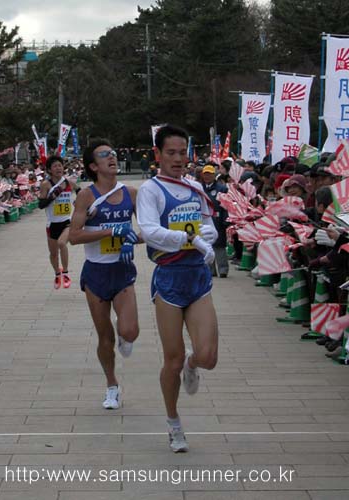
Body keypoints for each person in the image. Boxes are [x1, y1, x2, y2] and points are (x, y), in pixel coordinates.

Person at [136, 125, 219, 453]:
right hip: (169, 280)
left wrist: (202, 238)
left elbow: (210, 227)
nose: (178, 159)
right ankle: (173, 423)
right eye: (170, 152)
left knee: (208, 357)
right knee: (171, 359)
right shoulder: (151, 190)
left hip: (197, 279)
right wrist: (189, 239)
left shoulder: (196, 187)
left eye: (182, 152)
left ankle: (193, 365)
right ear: (157, 155)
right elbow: (150, 231)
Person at [69, 138, 140, 410]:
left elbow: (146, 230)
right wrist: (112, 231)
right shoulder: (87, 196)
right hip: (96, 273)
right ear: (93, 166)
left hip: (122, 270)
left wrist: (133, 238)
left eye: (113, 153)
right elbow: (74, 236)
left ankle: (126, 335)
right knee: (105, 338)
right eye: (104, 155)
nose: (112, 157)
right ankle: (112, 386)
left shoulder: (132, 194)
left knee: (130, 331)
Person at [38, 155, 77, 290]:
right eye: (55, 166)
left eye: (60, 165)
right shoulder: (46, 185)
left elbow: (81, 192)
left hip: (66, 221)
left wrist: (80, 201)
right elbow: (41, 205)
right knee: (53, 253)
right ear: (49, 170)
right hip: (52, 224)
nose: (58, 168)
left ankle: (65, 273)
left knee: (62, 243)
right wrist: (53, 196)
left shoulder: (68, 182)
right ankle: (57, 273)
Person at [201, 165, 229, 278]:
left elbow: (226, 205)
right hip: (204, 219)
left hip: (218, 218)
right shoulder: (199, 188)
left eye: (210, 174)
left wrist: (225, 220)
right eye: (205, 174)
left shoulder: (221, 188)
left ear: (214, 175)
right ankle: (210, 269)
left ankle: (223, 269)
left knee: (220, 245)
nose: (207, 176)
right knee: (207, 244)